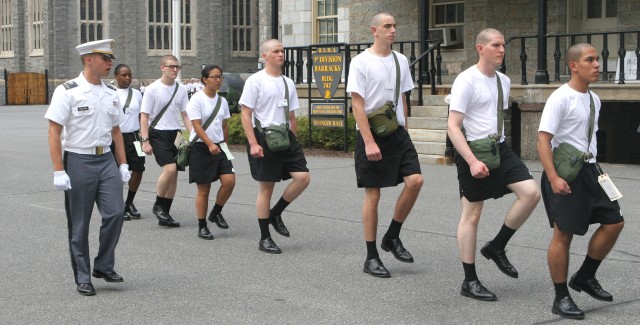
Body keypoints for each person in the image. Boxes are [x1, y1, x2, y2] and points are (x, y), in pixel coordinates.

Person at [447, 28, 540, 300]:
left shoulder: (503, 81)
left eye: (503, 45)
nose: (502, 49)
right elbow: (453, 126)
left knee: (531, 193)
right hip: (473, 151)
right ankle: (470, 280)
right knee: (472, 214)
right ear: (481, 48)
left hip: (499, 148)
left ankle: (497, 246)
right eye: (496, 45)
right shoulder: (466, 81)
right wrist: (472, 161)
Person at [537, 43, 624, 320]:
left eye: (597, 59)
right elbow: (543, 140)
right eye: (590, 60)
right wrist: (553, 178)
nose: (597, 64)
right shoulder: (560, 98)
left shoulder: (593, 99)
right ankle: (561, 296)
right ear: (574, 66)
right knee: (563, 234)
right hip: (565, 173)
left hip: (590, 170)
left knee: (614, 222)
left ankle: (585, 276)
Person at [45, 39, 131, 296]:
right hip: (78, 159)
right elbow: (53, 131)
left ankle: (103, 266)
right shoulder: (68, 91)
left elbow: (116, 131)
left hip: (106, 160)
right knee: (80, 223)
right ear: (89, 60)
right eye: (105, 59)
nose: (110, 63)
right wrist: (58, 169)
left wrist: (123, 163)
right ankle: (83, 275)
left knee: (116, 213)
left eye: (110, 58)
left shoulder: (110, 92)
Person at [346, 13, 423, 278]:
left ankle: (392, 236)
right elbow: (357, 104)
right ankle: (371, 256)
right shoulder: (360, 62)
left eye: (394, 26)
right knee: (373, 194)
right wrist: (368, 141)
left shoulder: (401, 60)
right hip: (372, 133)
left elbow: (403, 96)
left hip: (397, 133)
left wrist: (406, 128)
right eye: (387, 26)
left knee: (415, 181)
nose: (393, 30)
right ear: (374, 30)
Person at [239, 39, 311, 254]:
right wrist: (253, 143)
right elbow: (245, 114)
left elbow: (291, 116)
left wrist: (294, 140)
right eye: (276, 51)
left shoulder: (288, 82)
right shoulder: (255, 81)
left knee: (303, 177)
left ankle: (276, 212)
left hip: (285, 136)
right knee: (266, 188)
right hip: (263, 137)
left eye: (282, 51)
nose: (281, 54)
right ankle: (265, 238)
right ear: (265, 56)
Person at [139, 55, 192, 228]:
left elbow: (185, 114)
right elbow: (144, 116)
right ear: (162, 68)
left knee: (174, 173)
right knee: (169, 169)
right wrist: (145, 140)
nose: (175, 70)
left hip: (175, 134)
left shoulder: (181, 89)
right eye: (171, 67)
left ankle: (165, 213)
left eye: (177, 67)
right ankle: (158, 204)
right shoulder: (152, 89)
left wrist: (192, 135)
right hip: (158, 133)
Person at [186, 65, 236, 240]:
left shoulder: (221, 101)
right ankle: (202, 225)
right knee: (204, 189)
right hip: (201, 148)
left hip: (219, 146)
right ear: (204, 79)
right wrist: (209, 144)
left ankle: (215, 212)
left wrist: (224, 145)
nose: (218, 80)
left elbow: (224, 125)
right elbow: (196, 125)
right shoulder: (196, 99)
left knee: (230, 180)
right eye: (214, 77)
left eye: (220, 77)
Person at [111, 64, 145, 221]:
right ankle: (118, 205)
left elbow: (142, 116)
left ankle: (129, 203)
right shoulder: (110, 93)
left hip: (134, 137)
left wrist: (144, 137)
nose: (127, 78)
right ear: (116, 76)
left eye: (129, 75)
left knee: (138, 169)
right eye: (124, 75)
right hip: (117, 137)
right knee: (117, 172)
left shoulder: (137, 94)